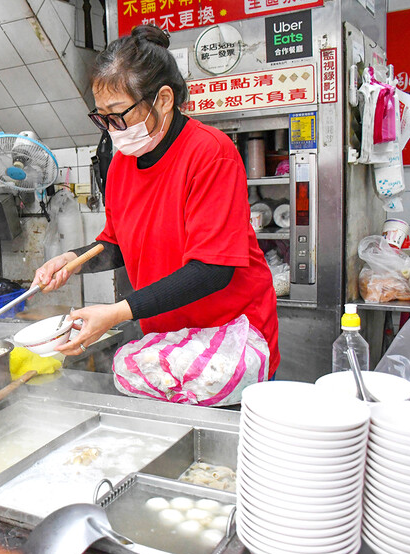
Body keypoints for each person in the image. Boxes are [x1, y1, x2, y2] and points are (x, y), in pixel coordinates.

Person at [33, 25, 280, 378]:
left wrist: (118, 312)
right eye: (102, 117)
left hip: (230, 339)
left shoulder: (210, 153)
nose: (112, 129)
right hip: (169, 341)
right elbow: (118, 244)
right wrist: (72, 260)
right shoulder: (122, 163)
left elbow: (212, 268)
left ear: (163, 99)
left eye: (119, 114)